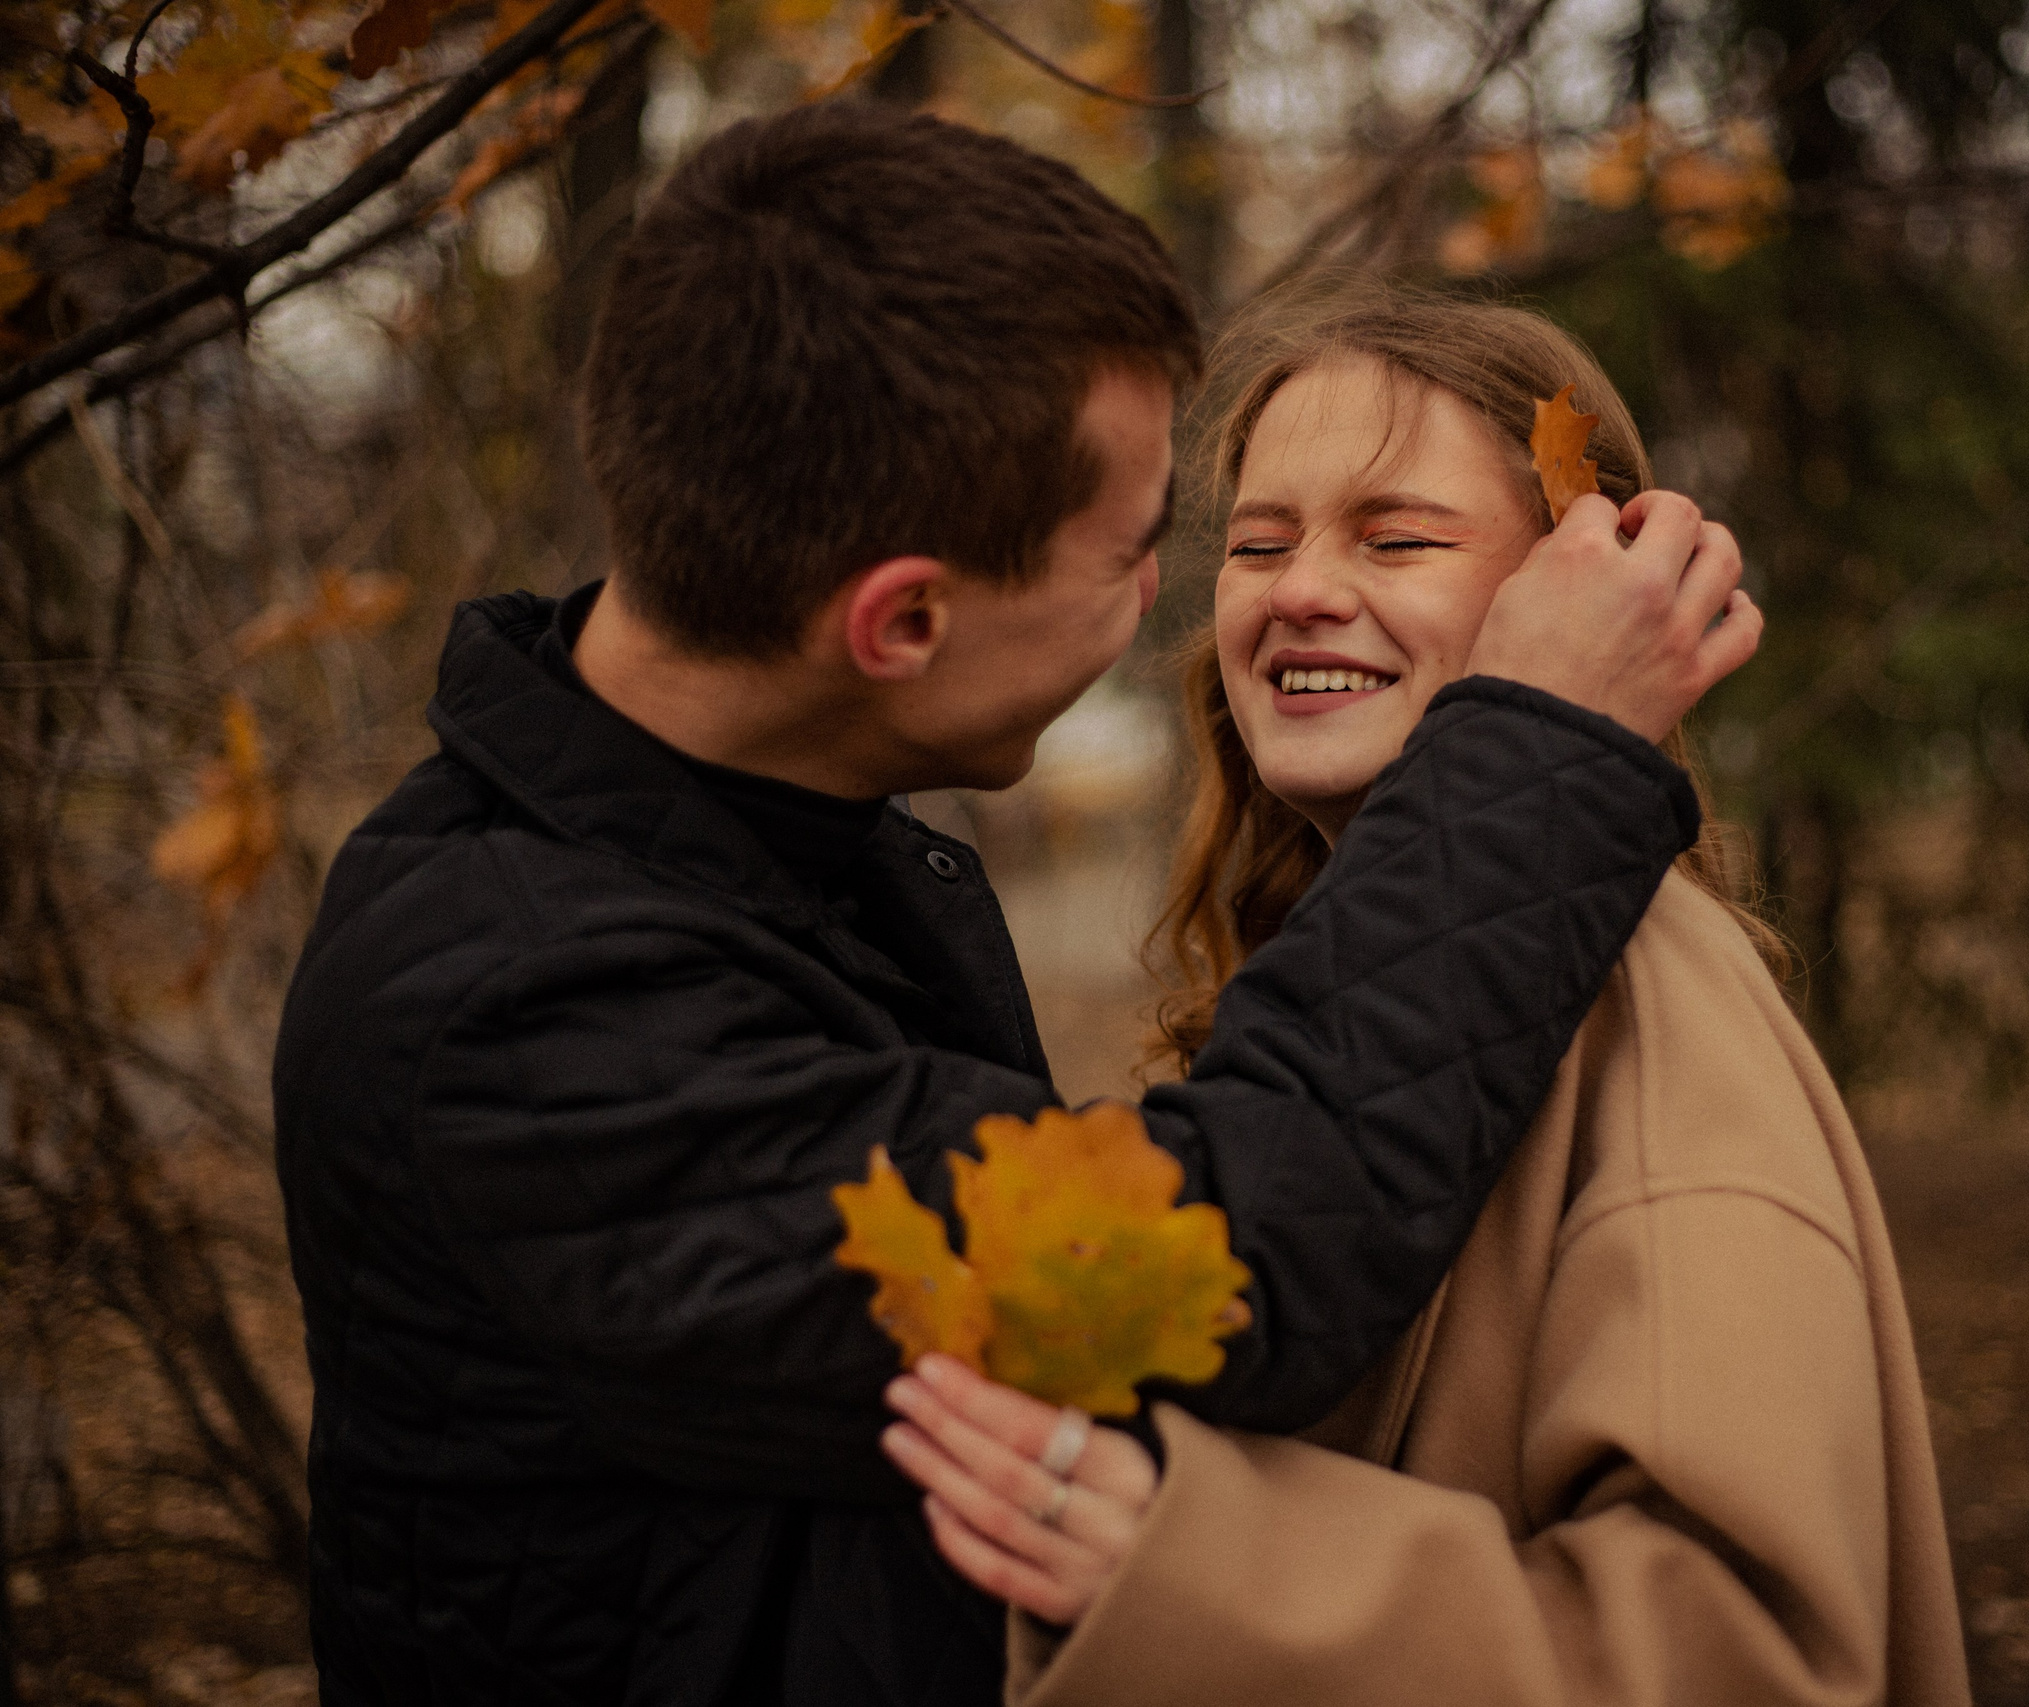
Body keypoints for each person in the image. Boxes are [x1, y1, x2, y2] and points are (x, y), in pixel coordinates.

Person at [269, 108, 1765, 1705]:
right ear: (903, 620)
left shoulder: (739, 837)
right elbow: (1225, 1243)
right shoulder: (523, 1013)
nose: (1167, 601)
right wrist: (1537, 754)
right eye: (1134, 554)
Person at [875, 291, 1970, 1707]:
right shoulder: (1321, 994)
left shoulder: (1643, 1005)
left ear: (1588, 592)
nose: (1297, 590)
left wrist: (1195, 1564)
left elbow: (1740, 1655)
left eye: (1397, 538)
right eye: (1259, 545)